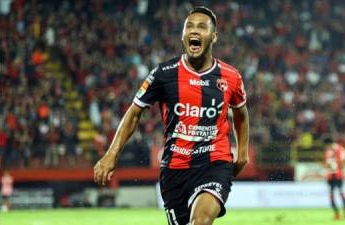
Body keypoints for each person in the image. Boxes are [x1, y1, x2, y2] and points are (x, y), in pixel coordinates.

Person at [94, 6, 249, 225]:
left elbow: (241, 112)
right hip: (175, 169)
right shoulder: (164, 74)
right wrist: (112, 153)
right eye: (189, 27)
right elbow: (134, 113)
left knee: (200, 221)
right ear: (183, 35)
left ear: (214, 36)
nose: (194, 32)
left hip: (214, 163)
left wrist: (242, 151)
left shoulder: (231, 77)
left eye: (202, 27)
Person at [323, 137, 345, 220]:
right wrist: (327, 166)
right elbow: (328, 164)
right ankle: (337, 214)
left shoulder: (340, 149)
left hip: (338, 175)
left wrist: (336, 166)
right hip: (330, 175)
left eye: (326, 145)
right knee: (331, 195)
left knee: (341, 193)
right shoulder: (328, 150)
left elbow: (343, 163)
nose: (326, 147)